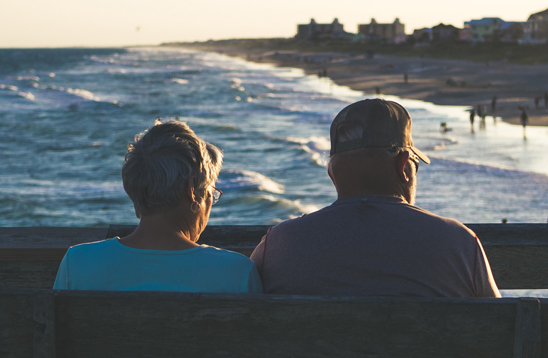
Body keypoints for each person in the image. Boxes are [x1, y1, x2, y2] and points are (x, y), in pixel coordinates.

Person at [250, 99, 501, 298]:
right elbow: (501, 327)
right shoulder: (459, 242)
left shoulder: (278, 244)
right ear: (404, 167)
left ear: (332, 174)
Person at [54, 120, 263, 293]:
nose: (210, 203)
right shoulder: (236, 273)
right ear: (192, 190)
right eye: (211, 194)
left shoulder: (77, 264)